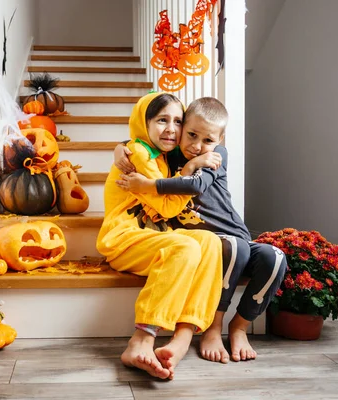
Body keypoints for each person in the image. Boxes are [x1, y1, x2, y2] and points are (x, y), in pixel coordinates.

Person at [114, 97, 287, 363]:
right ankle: (213, 327)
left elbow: (194, 185)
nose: (196, 147)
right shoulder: (168, 155)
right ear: (183, 130)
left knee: (274, 257)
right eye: (191, 135)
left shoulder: (215, 156)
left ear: (219, 139)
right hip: (209, 243)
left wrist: (149, 185)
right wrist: (120, 147)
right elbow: (142, 143)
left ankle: (239, 327)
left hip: (235, 238)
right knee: (229, 246)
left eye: (207, 140)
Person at [97, 92, 224, 379]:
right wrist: (191, 169)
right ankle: (143, 337)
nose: (171, 128)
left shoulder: (164, 157)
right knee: (185, 248)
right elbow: (167, 207)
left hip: (152, 237)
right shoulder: (139, 153)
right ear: (144, 122)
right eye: (161, 120)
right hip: (124, 239)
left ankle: (184, 334)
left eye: (178, 121)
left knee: (209, 241)